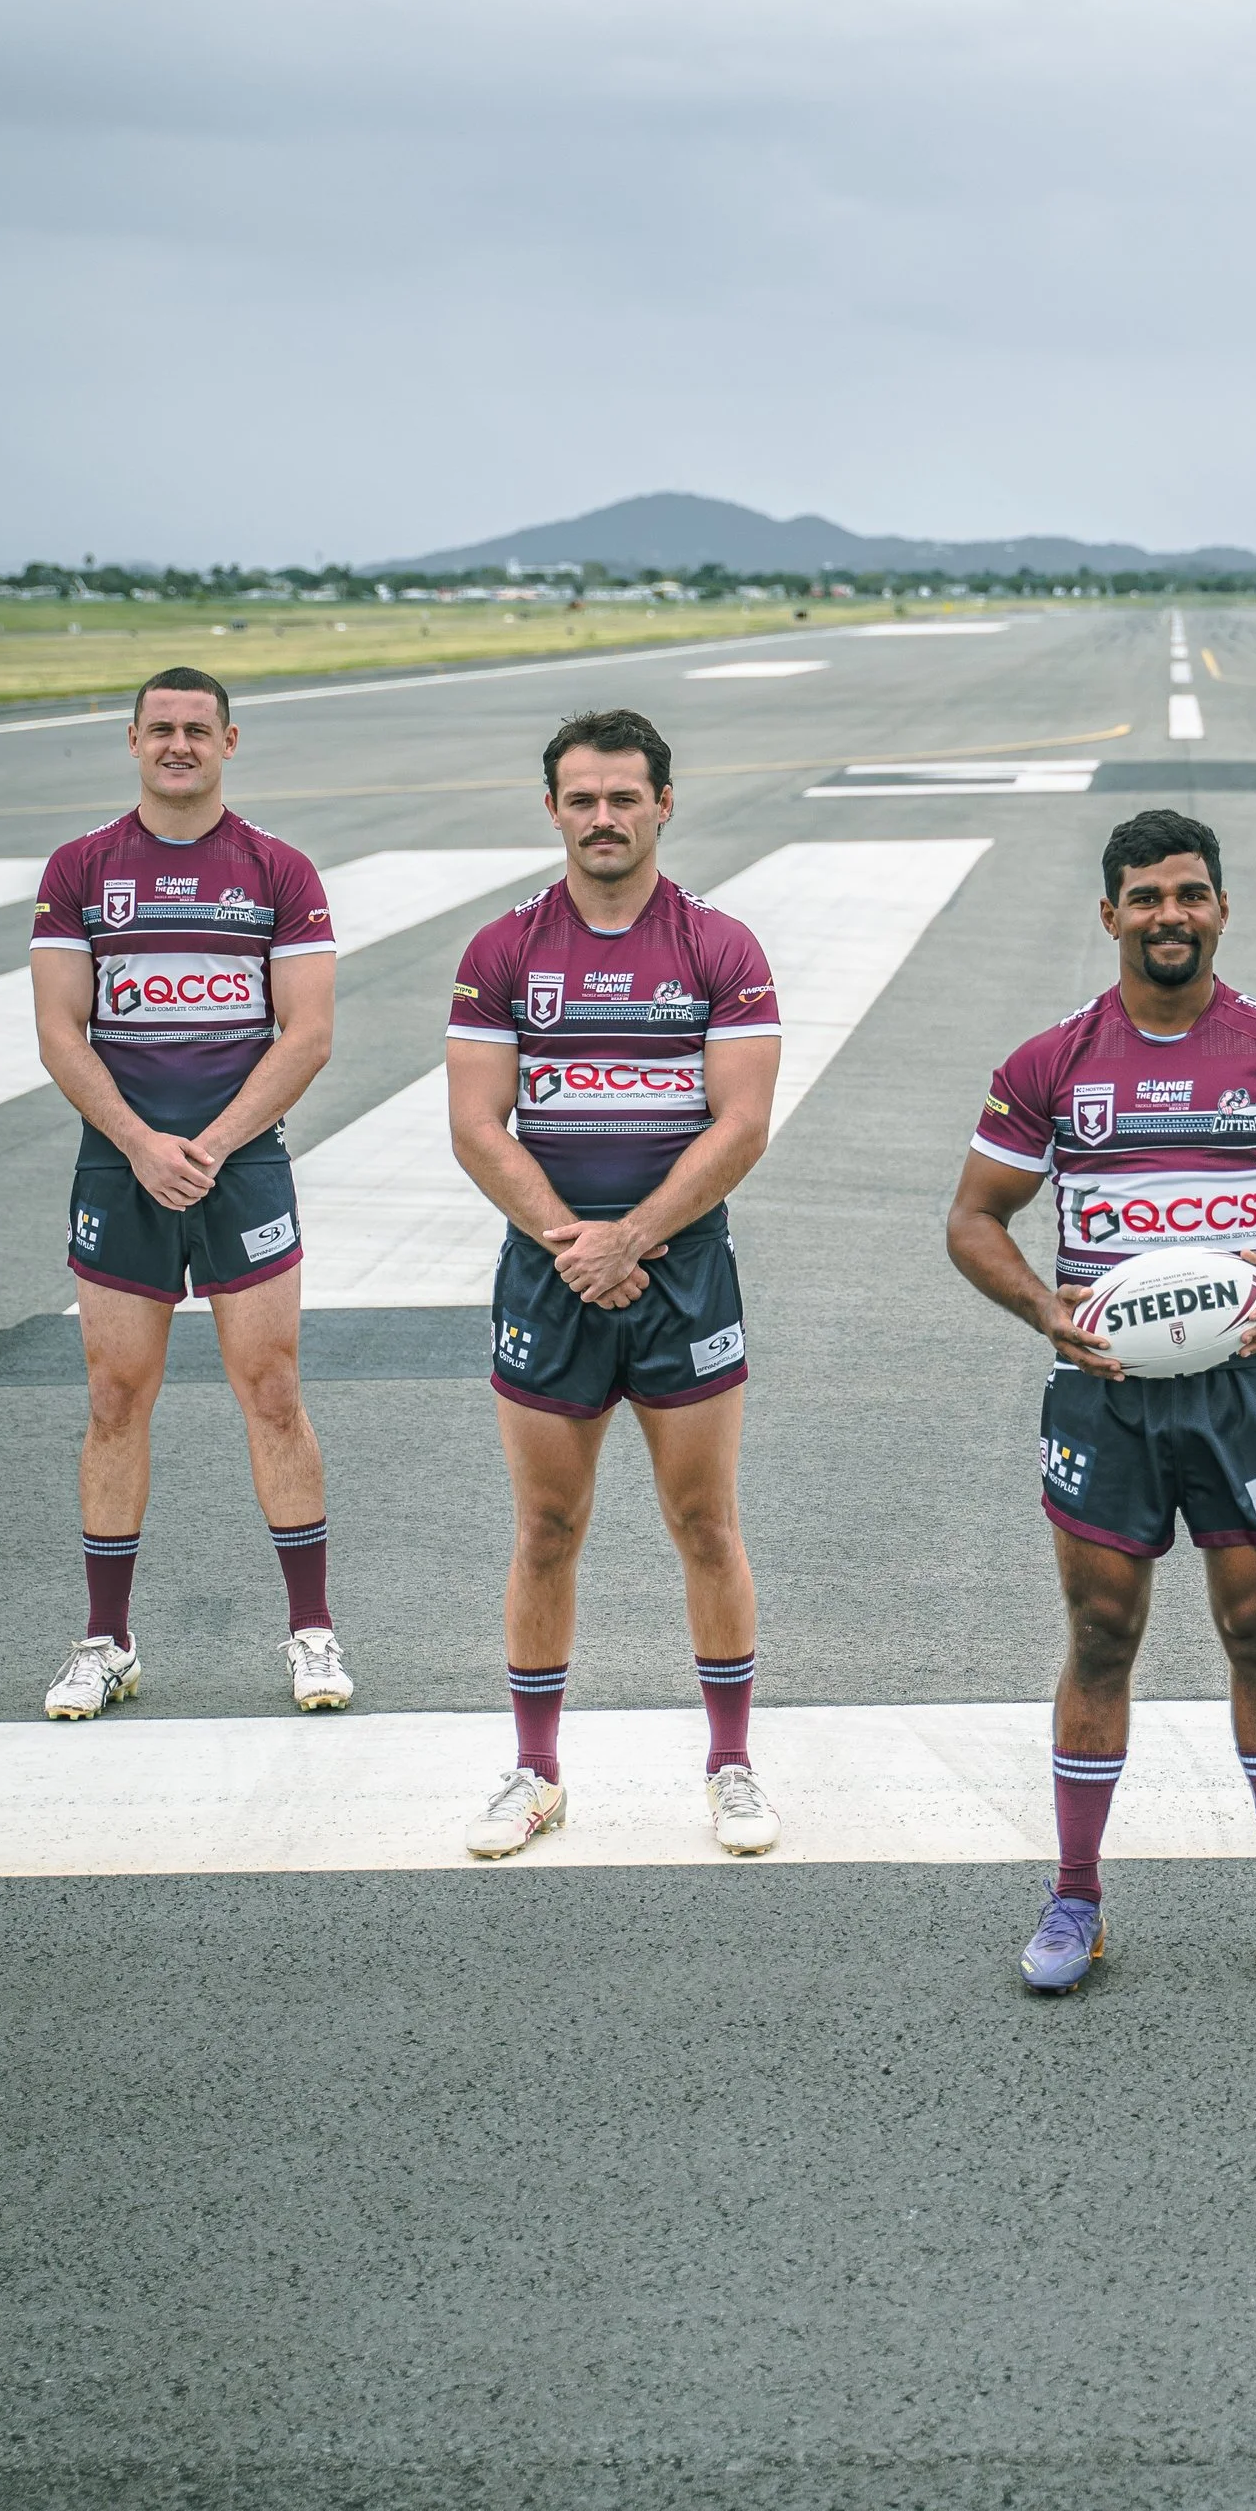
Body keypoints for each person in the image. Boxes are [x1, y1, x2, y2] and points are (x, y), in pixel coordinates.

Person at [946, 807, 1256, 1991]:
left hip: (1241, 1394)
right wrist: (1050, 1310)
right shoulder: (1051, 1064)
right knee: (1101, 1637)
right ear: (1109, 916)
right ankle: (1074, 1901)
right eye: (1145, 898)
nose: (1169, 916)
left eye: (1189, 893)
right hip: (1102, 1402)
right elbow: (972, 1218)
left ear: (1221, 908)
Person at [444, 707, 785, 1857]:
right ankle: (535, 1772)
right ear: (553, 808)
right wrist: (571, 1242)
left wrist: (631, 1236)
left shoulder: (719, 947)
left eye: (623, 797)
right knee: (546, 1527)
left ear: (662, 806)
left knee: (704, 1522)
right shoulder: (502, 950)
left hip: (682, 1274)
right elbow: (475, 1125)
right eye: (581, 798)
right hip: (550, 1277)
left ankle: (731, 1764)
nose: (602, 817)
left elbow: (741, 1124)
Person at [30, 667, 352, 1722]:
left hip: (240, 1161)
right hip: (118, 1166)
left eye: (197, 729)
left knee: (270, 1388)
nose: (179, 745)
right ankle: (106, 1641)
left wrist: (206, 1145)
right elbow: (59, 1032)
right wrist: (139, 1142)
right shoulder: (81, 870)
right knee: (116, 1396)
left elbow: (306, 1033)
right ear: (130, 740)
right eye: (160, 729)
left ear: (229, 742)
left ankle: (312, 1631)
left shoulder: (278, 868)